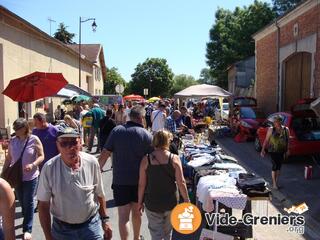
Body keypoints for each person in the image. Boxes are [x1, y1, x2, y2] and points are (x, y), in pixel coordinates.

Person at [37, 127, 112, 240]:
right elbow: (43, 205)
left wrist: (105, 221)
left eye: (73, 142)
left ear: (80, 142)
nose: (70, 147)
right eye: (64, 143)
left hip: (91, 226)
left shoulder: (91, 162)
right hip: (62, 231)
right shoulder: (49, 168)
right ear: (57, 145)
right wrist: (48, 236)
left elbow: (99, 194)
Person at [99, 106, 153, 240]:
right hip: (139, 183)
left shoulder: (117, 130)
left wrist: (96, 171)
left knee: (123, 217)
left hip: (120, 181)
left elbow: (105, 153)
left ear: (130, 117)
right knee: (137, 213)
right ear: (141, 118)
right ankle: (136, 238)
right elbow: (153, 158)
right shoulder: (146, 134)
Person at [138, 130, 190, 240]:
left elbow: (141, 184)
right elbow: (181, 182)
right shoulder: (174, 159)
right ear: (167, 142)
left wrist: (139, 202)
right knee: (168, 233)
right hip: (170, 202)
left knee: (156, 234)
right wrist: (187, 200)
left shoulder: (146, 160)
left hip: (152, 202)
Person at [1, 118, 44, 240]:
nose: (14, 131)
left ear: (24, 128)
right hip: (17, 177)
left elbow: (41, 156)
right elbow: (9, 158)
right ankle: (27, 219)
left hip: (31, 177)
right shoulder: (13, 141)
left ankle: (27, 229)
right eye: (14, 128)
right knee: (22, 200)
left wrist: (33, 164)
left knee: (29, 201)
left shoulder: (34, 139)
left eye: (17, 129)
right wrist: (3, 174)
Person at [260, 116, 289, 189]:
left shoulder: (286, 130)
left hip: (281, 150)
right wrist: (263, 149)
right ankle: (274, 184)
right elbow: (266, 140)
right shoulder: (271, 130)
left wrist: (288, 150)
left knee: (279, 167)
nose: (275, 123)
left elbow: (287, 141)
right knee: (274, 166)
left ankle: (275, 182)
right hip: (273, 151)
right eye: (274, 122)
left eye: (276, 121)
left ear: (280, 122)